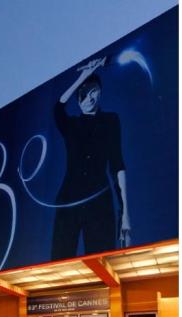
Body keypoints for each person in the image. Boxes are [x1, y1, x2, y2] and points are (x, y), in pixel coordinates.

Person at [51, 56, 130, 260]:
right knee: (60, 260)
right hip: (68, 200)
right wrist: (82, 77)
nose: (89, 99)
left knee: (101, 261)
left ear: (100, 93)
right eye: (83, 95)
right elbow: (58, 108)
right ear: (77, 99)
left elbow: (117, 164)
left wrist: (125, 214)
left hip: (99, 201)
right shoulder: (71, 125)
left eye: (94, 92)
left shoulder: (110, 121)